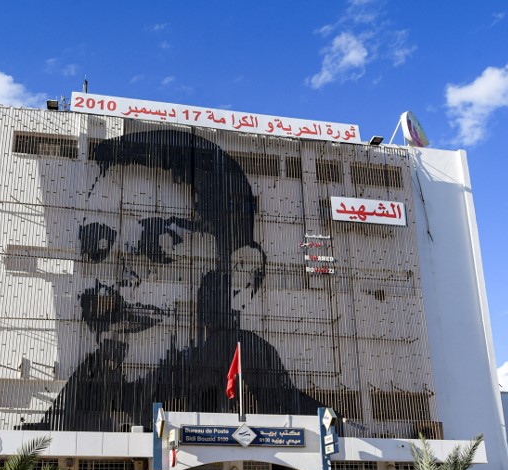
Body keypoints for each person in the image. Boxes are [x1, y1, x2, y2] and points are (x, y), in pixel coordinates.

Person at [24, 129, 324, 431]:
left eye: (157, 249)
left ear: (241, 280)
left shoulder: (283, 398)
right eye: (98, 248)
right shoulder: (78, 397)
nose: (113, 285)